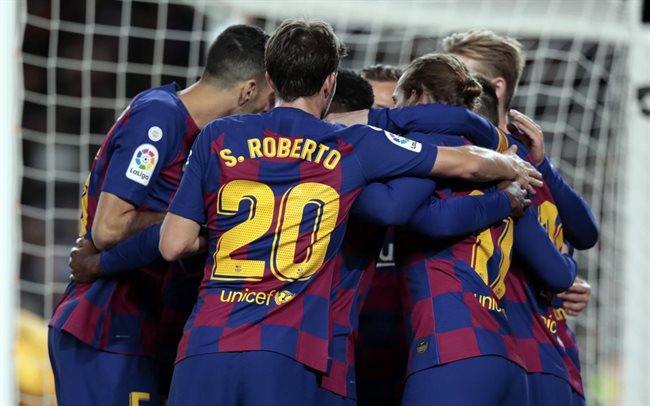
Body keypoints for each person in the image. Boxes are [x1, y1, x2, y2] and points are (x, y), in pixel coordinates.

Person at [158, 19, 541, 406]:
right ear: (329, 83)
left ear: (269, 79)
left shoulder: (217, 135)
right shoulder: (350, 144)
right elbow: (467, 164)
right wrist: (511, 163)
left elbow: (173, 244)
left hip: (206, 342)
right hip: (287, 347)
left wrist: (229, 232)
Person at [49, 24, 273, 406]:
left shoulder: (198, 139)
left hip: (142, 325)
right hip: (105, 323)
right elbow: (108, 228)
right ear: (248, 90)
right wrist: (187, 222)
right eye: (269, 99)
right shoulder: (160, 116)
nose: (268, 112)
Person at [381, 53, 578, 406]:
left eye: (397, 102)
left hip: (452, 343)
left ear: (418, 96)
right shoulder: (504, 172)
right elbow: (560, 271)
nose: (396, 114)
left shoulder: (431, 154)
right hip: (506, 356)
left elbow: (417, 215)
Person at [444, 30, 598, 405]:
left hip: (517, 349)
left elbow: (584, 234)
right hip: (537, 355)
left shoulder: (491, 163)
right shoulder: (489, 158)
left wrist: (564, 274)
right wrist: (563, 273)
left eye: (460, 75)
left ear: (496, 87)